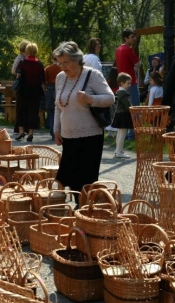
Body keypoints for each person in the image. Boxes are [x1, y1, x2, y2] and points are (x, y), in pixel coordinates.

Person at [52, 41, 115, 204]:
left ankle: (84, 212)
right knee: (68, 176)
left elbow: (110, 98)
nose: (63, 67)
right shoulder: (60, 78)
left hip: (90, 136)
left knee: (85, 180)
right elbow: (58, 106)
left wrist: (90, 99)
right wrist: (56, 130)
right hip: (68, 136)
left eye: (66, 62)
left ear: (77, 59)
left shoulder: (92, 74)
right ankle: (78, 211)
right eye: (60, 63)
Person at [13, 43, 44, 142]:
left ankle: (21, 130)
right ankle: (30, 133)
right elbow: (42, 79)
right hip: (35, 91)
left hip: (23, 90)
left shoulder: (22, 63)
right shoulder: (40, 64)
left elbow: (18, 76)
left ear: (27, 51)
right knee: (33, 112)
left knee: (21, 110)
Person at [112, 73, 133, 158]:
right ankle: (119, 152)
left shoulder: (117, 92)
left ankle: (118, 150)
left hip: (118, 114)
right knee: (122, 134)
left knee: (120, 133)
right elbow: (128, 106)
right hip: (123, 115)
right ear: (122, 83)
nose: (129, 85)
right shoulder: (123, 93)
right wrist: (133, 109)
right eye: (128, 83)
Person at [44, 55, 62, 141]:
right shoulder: (61, 68)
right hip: (58, 89)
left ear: (52, 59)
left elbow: (44, 82)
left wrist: (45, 91)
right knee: (59, 112)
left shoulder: (47, 69)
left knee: (51, 113)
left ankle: (52, 132)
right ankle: (58, 131)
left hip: (49, 90)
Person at [105, 67, 119, 138]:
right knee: (116, 115)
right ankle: (116, 133)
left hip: (110, 98)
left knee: (110, 115)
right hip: (116, 99)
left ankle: (109, 133)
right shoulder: (118, 81)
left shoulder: (108, 81)